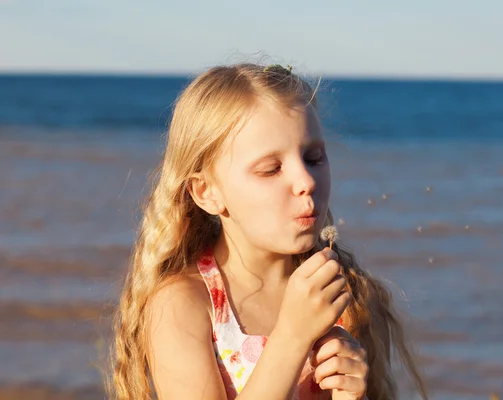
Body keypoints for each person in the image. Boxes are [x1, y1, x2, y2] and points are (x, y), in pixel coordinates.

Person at [110, 63, 428, 400]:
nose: (306, 181)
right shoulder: (183, 304)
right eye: (270, 169)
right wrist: (291, 336)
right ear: (207, 192)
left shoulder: (346, 297)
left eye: (314, 157)